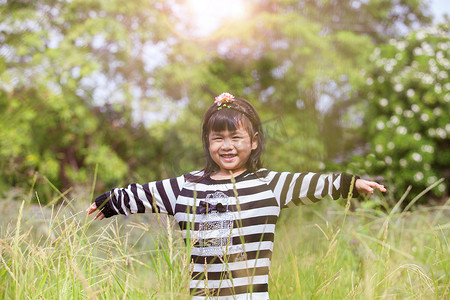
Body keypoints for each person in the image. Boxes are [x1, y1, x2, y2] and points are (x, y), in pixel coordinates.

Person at [87, 93, 386, 299]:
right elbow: (146, 193)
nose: (227, 146)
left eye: (236, 137)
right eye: (218, 138)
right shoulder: (186, 187)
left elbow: (311, 183)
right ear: (207, 142)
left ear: (254, 142)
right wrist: (110, 202)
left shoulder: (269, 184)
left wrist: (352, 184)